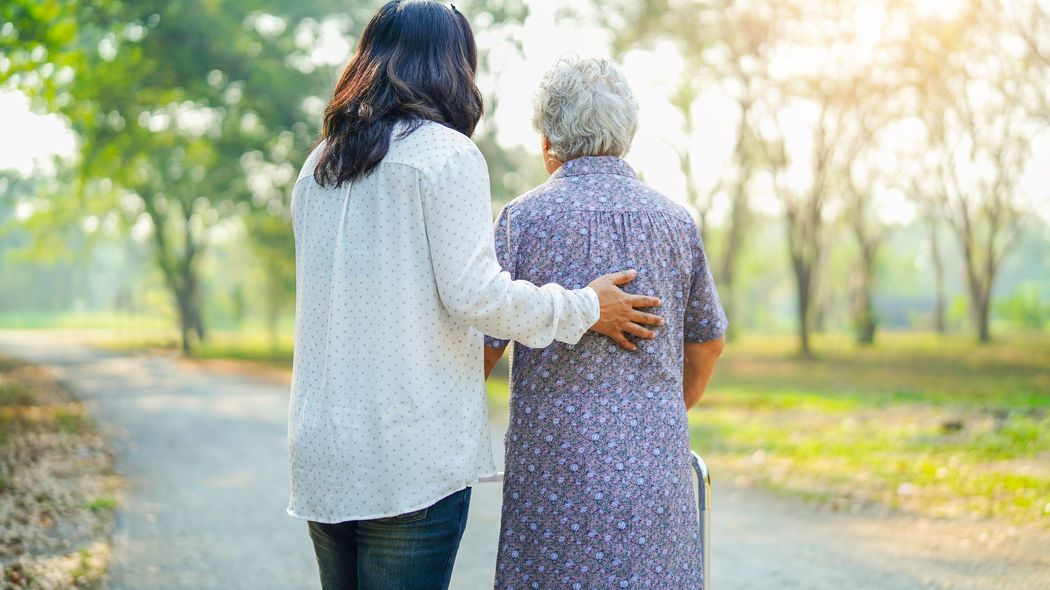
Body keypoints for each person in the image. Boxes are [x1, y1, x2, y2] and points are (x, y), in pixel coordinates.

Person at [286, 3, 663, 589]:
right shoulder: (444, 154)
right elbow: (478, 299)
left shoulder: (319, 166)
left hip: (323, 450)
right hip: (407, 456)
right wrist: (586, 306)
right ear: (453, 66)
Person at [483, 56, 727, 589]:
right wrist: (656, 414)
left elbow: (483, 347)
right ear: (627, 133)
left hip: (553, 476)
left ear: (548, 141)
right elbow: (707, 344)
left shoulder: (523, 220)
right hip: (653, 475)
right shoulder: (675, 223)